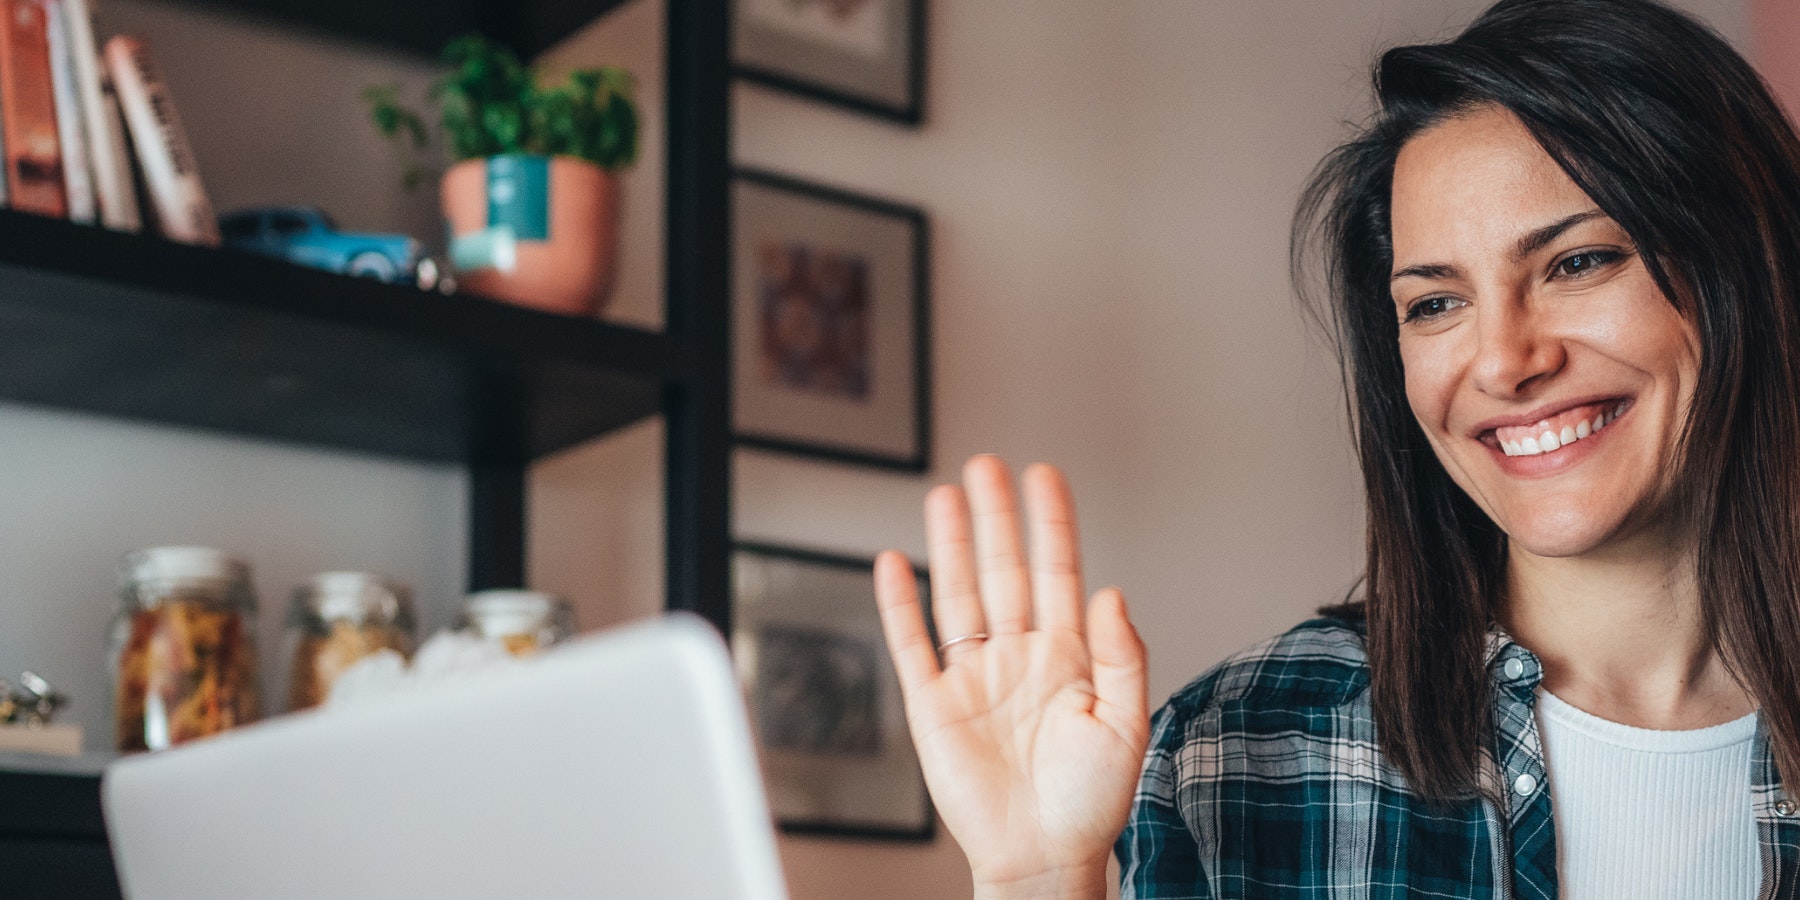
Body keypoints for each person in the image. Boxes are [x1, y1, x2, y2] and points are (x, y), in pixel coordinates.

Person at [872, 0, 1800, 896]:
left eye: (1578, 262)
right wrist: (1040, 885)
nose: (1505, 361)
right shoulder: (1236, 749)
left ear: (1747, 270)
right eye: (1435, 303)